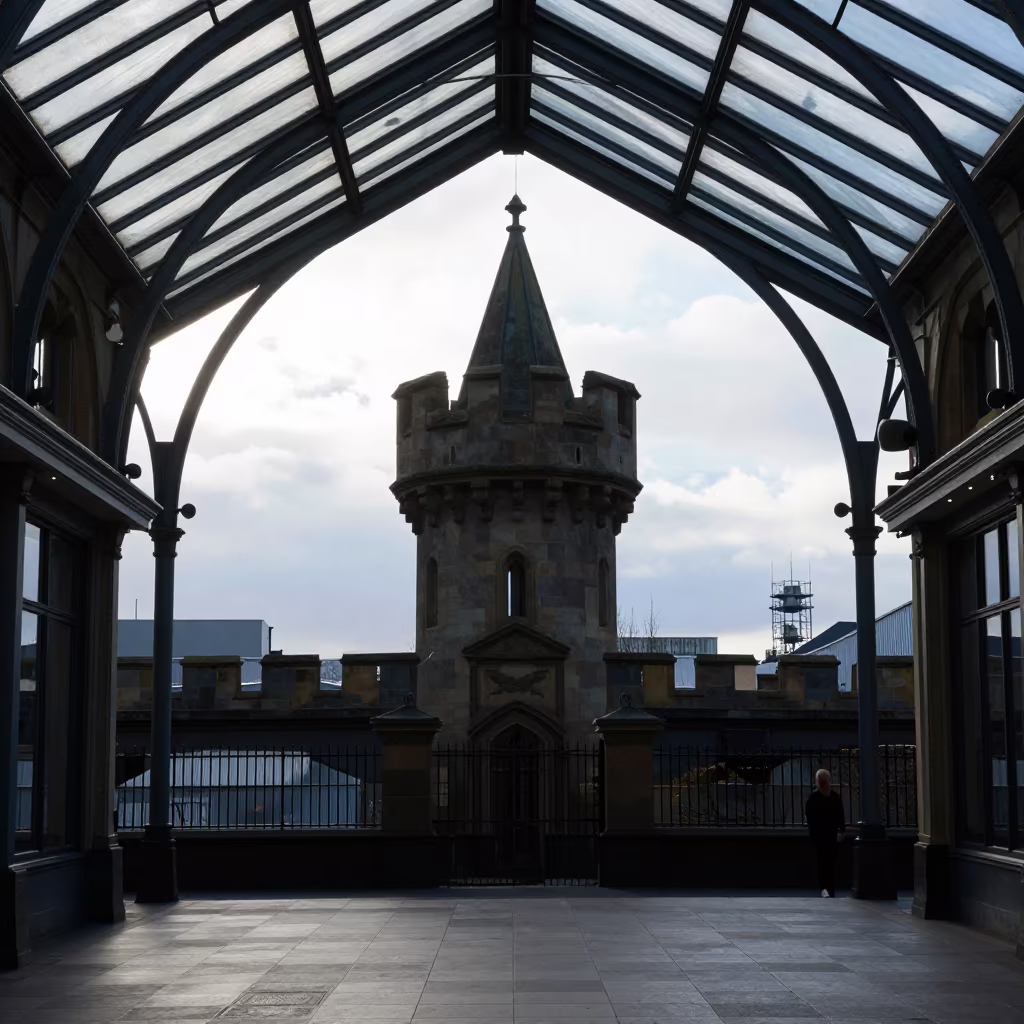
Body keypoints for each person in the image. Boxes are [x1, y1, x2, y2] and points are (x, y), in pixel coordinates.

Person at [805, 768, 845, 897]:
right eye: (821, 781)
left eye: (824, 781)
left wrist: (841, 830)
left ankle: (828, 888)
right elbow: (810, 818)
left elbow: (840, 815)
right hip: (821, 836)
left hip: (832, 835)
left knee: (829, 863)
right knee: (823, 863)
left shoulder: (834, 797)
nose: (823, 784)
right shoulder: (814, 798)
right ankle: (825, 887)